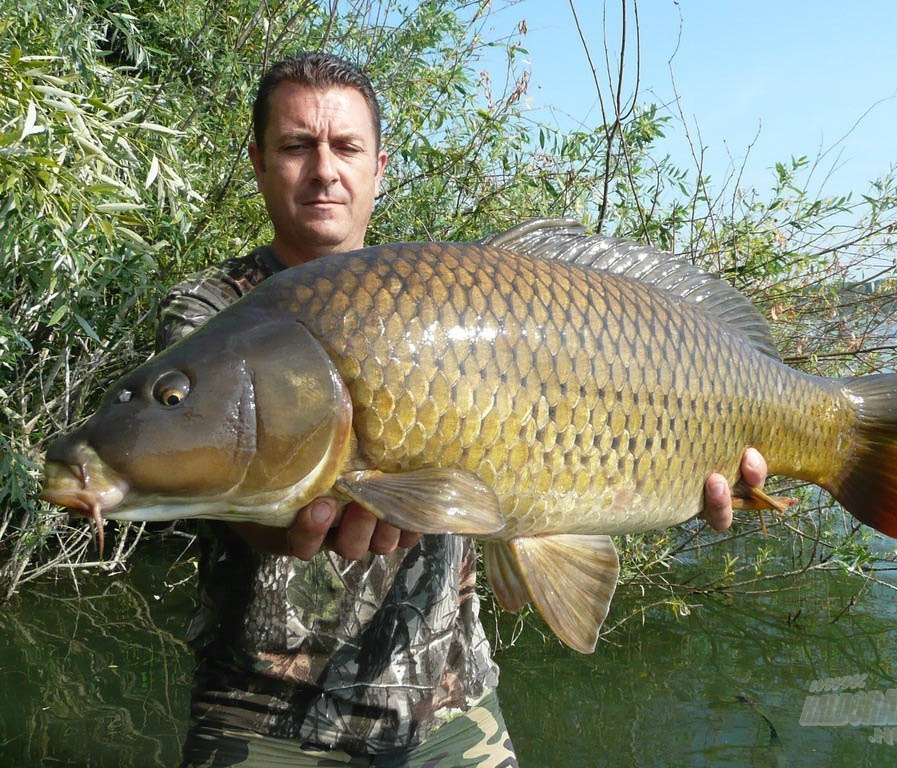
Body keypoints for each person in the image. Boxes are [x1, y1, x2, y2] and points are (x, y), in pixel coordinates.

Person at [160, 52, 768, 767]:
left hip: (450, 711)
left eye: (347, 147)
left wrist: (677, 479)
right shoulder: (212, 318)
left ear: (379, 167)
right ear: (259, 162)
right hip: (261, 721)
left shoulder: (446, 293)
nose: (325, 169)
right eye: (297, 146)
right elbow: (214, 481)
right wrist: (286, 528)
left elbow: (580, 460)